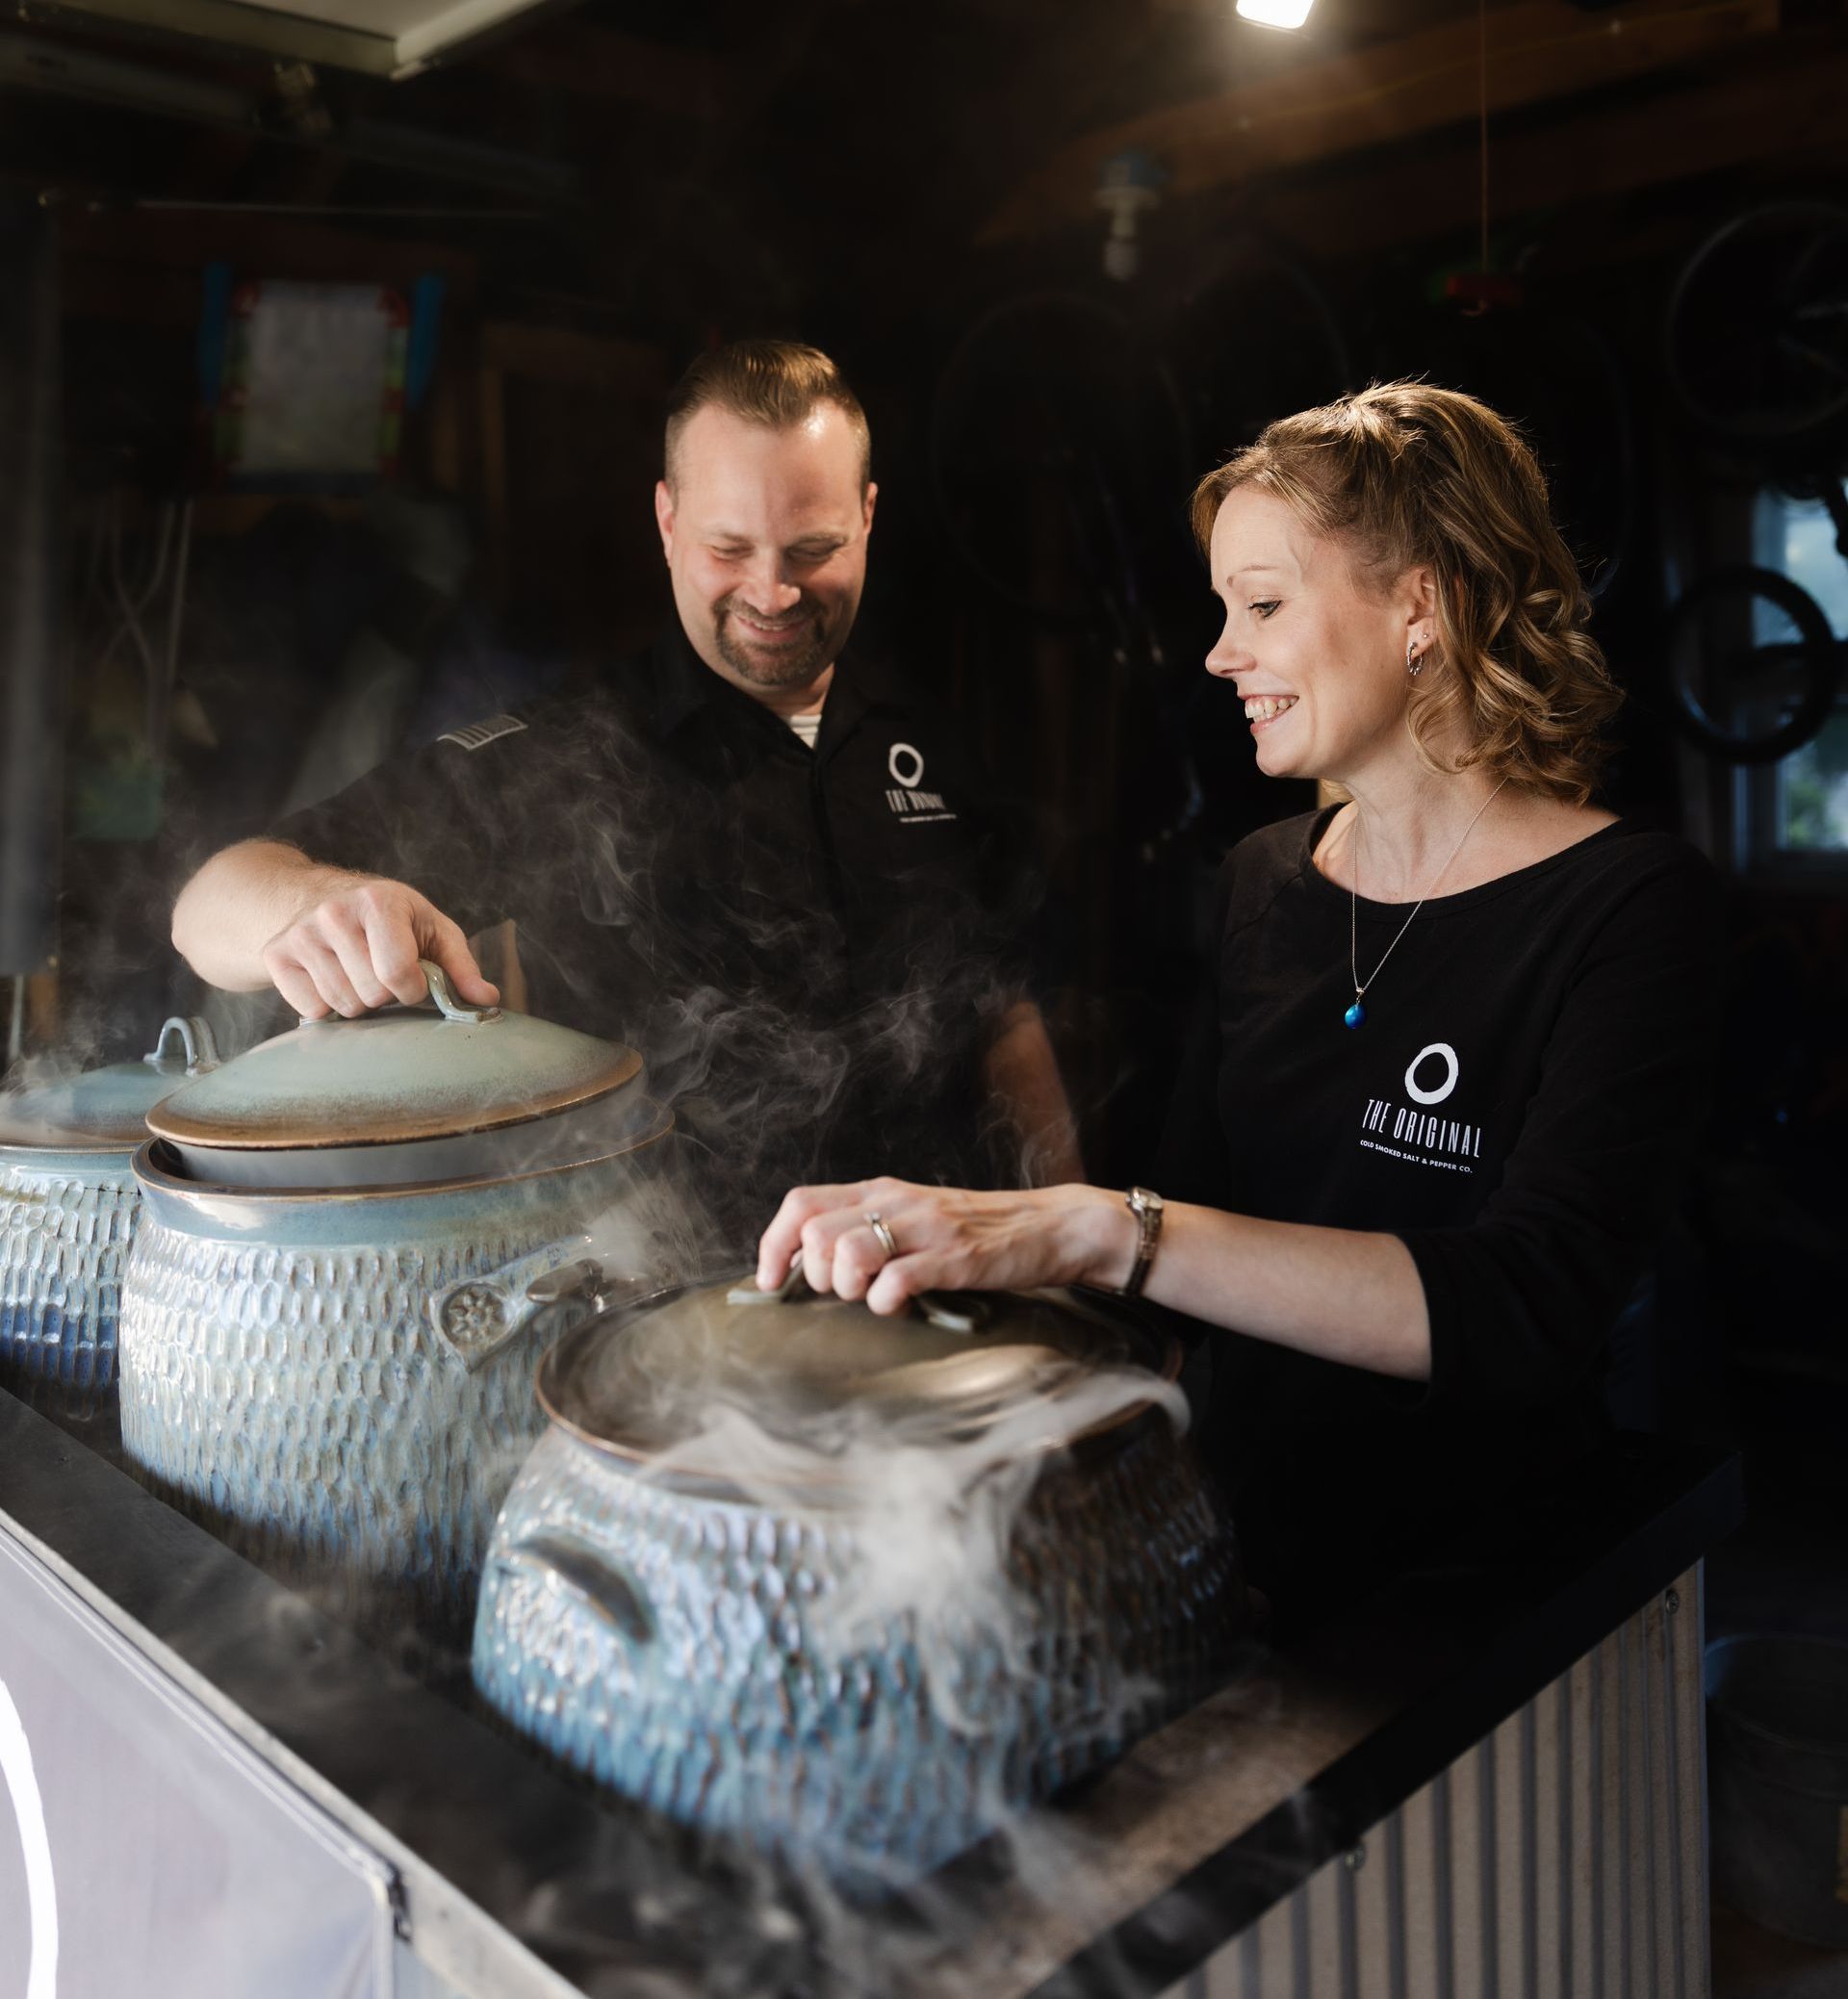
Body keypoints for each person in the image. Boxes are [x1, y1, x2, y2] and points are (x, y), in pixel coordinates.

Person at [756, 382, 1721, 1604]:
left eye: (1261, 604)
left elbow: (1526, 1308)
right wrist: (930, 1354)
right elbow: (1186, 1261)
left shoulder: (1630, 907)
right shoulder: (1264, 878)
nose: (1221, 653)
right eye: (1225, 610)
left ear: (1420, 605)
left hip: (1489, 1598)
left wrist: (1103, 1226)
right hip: (1244, 1558)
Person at [170, 341, 1079, 1246]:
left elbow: (1004, 1015)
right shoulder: (566, 753)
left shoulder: (930, 740)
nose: (773, 592)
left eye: (814, 548)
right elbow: (210, 903)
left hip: (950, 1290)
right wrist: (320, 906)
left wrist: (1069, 1241)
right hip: (675, 1302)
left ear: (868, 518)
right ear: (668, 522)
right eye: (729, 547)